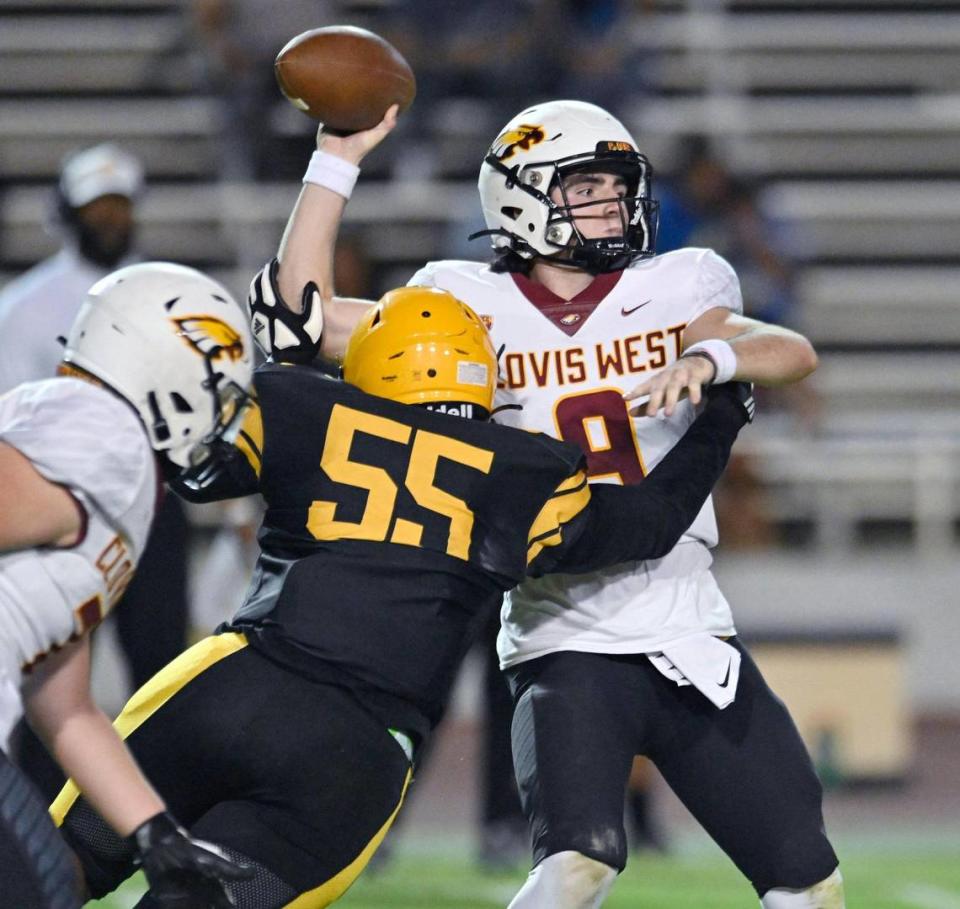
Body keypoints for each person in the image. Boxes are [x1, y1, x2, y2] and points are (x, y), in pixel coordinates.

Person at [254, 98, 842, 908]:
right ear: (524, 198)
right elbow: (300, 323)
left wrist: (710, 357)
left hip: (687, 619)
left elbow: (789, 350)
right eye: (588, 187)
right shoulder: (461, 304)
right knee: (578, 865)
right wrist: (336, 161)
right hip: (559, 626)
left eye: (617, 185)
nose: (614, 203)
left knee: (809, 880)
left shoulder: (678, 285)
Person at [54, 283, 754, 907]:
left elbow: (195, 468)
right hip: (356, 756)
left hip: (236, 687)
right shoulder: (525, 471)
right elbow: (652, 522)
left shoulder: (300, 403)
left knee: (54, 866)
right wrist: (723, 411)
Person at [0, 261, 255, 907]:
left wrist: (153, 829)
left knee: (47, 882)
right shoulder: (104, 430)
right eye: (216, 388)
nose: (223, 415)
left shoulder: (100, 442)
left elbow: (67, 706)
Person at [0, 146, 194, 797]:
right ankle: (34, 817)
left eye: (120, 205)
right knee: (50, 676)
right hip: (53, 514)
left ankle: (150, 809)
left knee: (158, 669)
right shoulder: (24, 307)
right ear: (68, 213)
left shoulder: (166, 291)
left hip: (154, 510)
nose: (110, 218)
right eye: (96, 206)